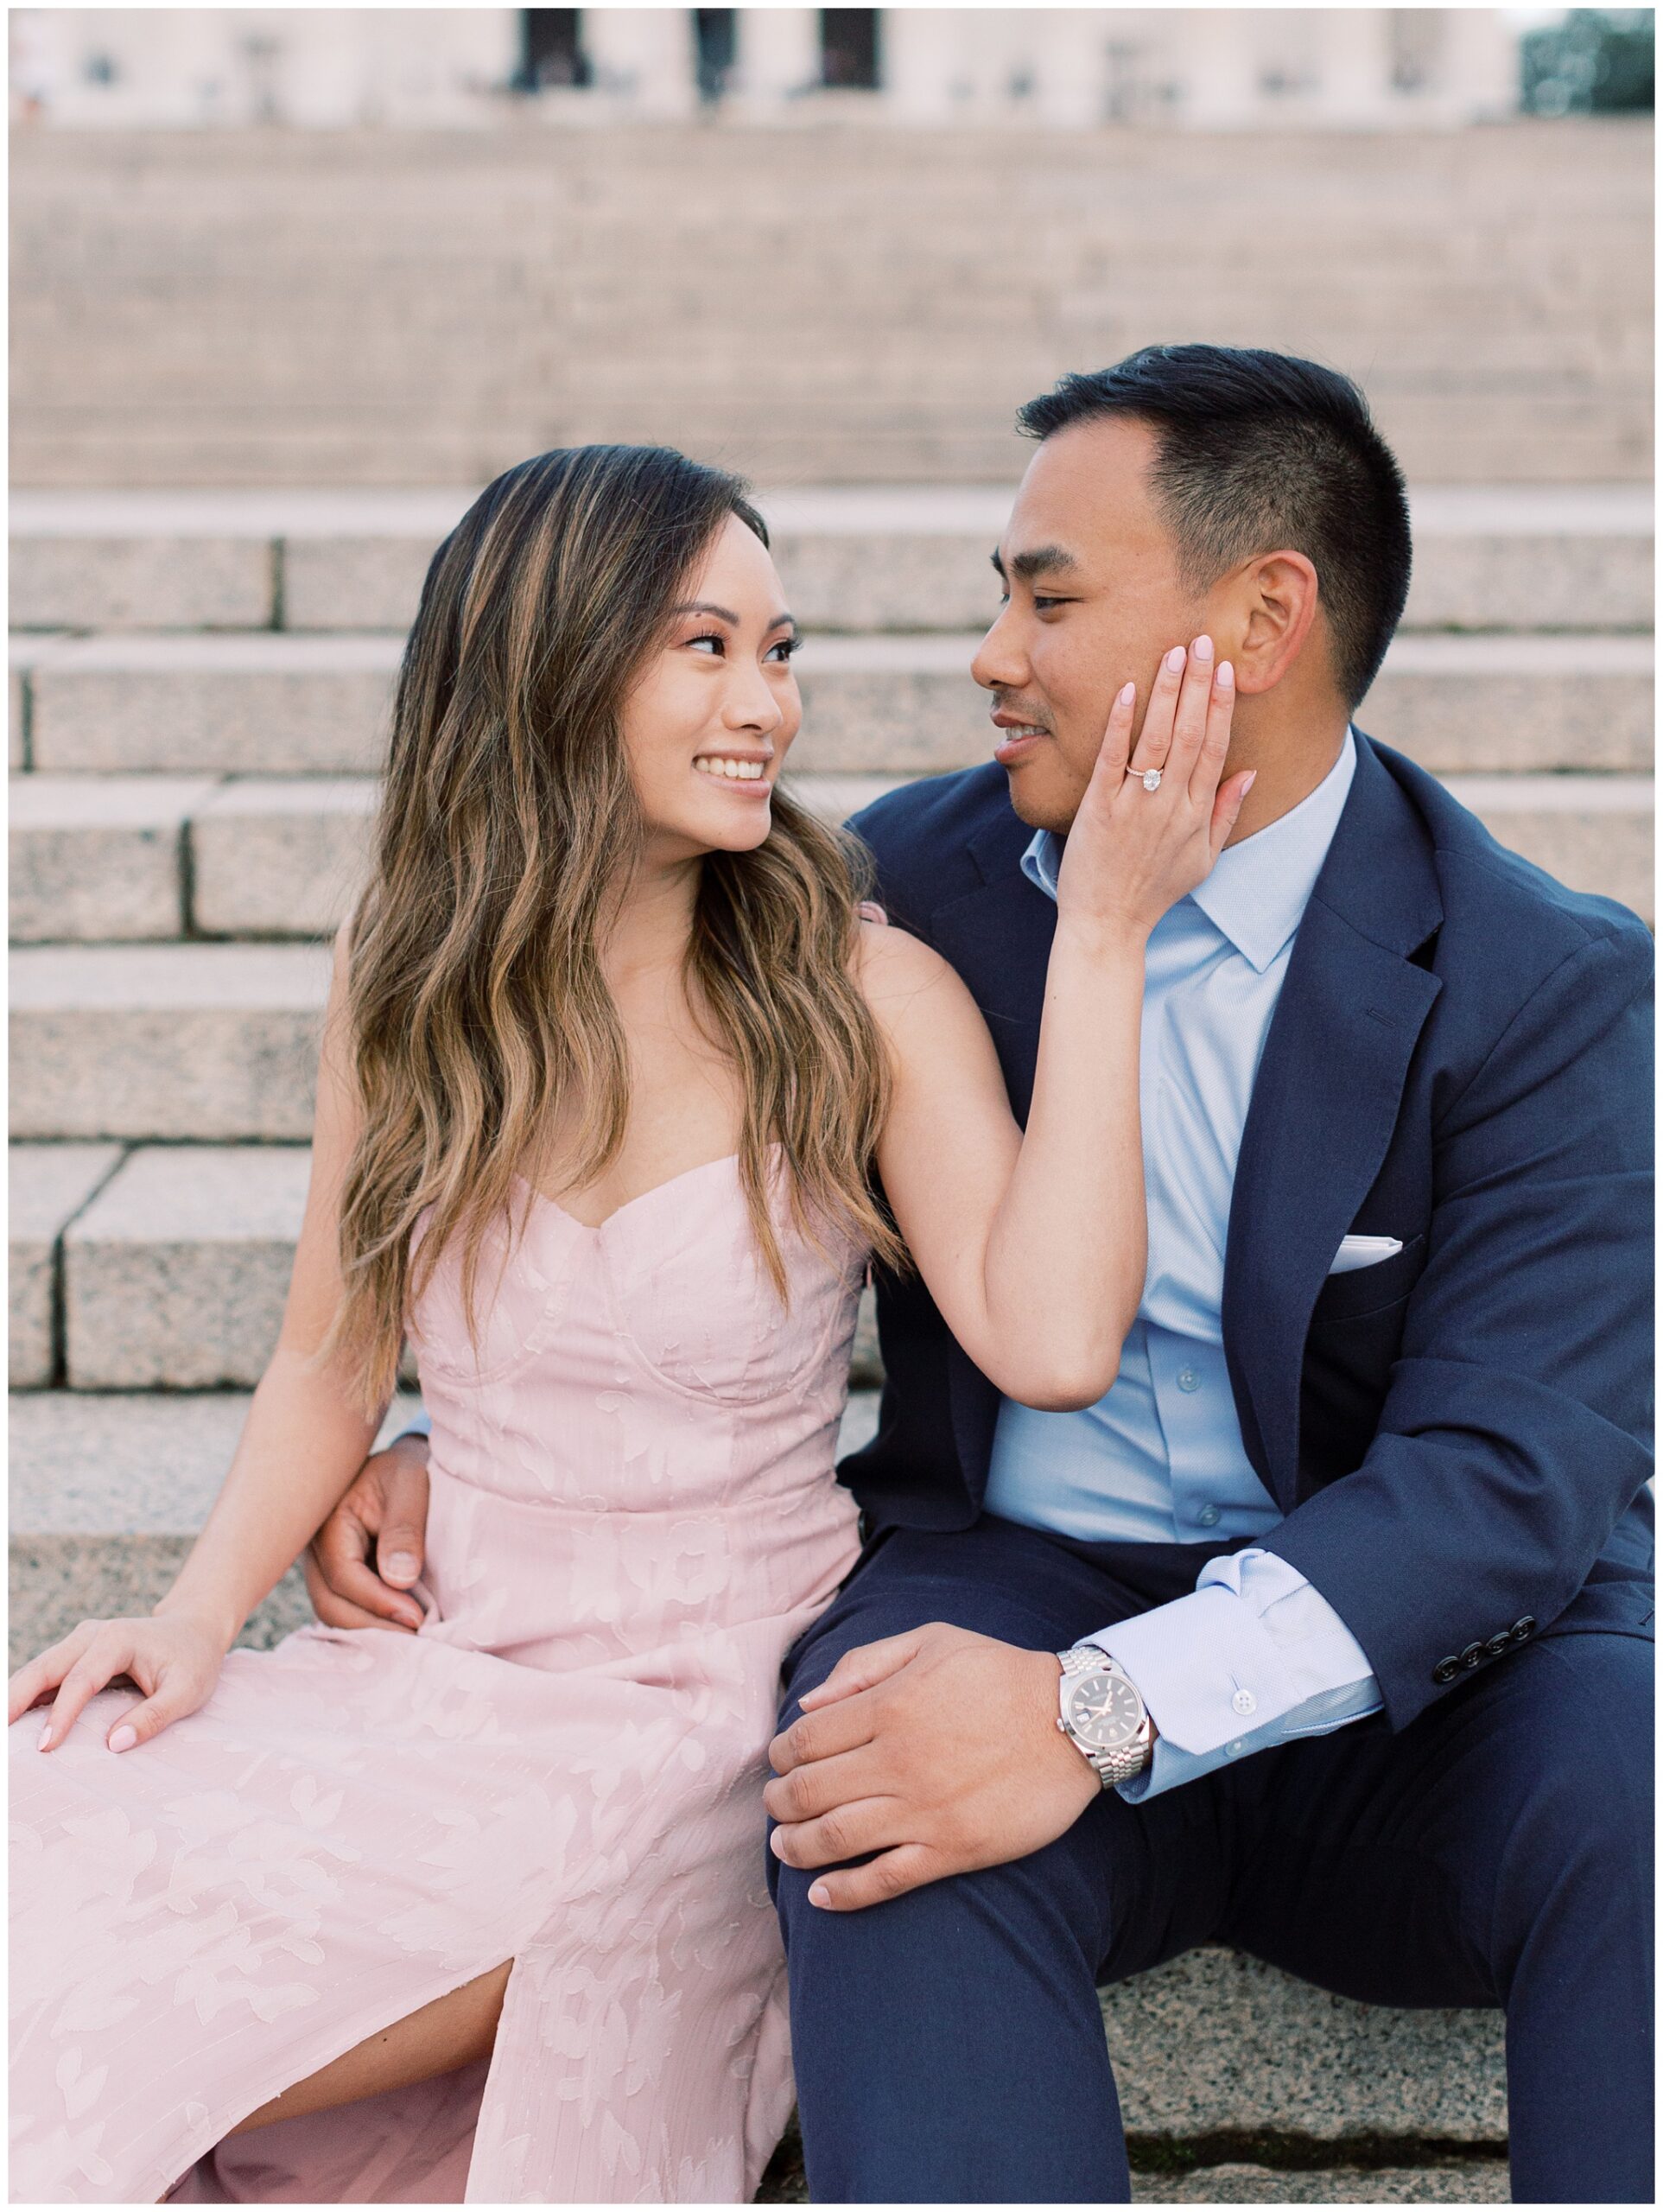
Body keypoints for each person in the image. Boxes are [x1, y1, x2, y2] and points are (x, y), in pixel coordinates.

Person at [317, 349, 1654, 2206]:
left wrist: (1106, 1701)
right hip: (1005, 1581)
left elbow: (1513, 1479)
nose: (989, 654)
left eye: (1048, 595)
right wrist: (442, 1429)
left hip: (1432, 1681)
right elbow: (587, 1121)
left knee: (1645, 1779)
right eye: (993, 598)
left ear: (1263, 617)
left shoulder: (1547, 980)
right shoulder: (889, 893)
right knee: (861, 1789)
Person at [8, 441, 1249, 2204]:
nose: (769, 704)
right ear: (556, 661)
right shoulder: (409, 975)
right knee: (46, 1811)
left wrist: (1108, 931)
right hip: (439, 1659)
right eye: (707, 647)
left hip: (701, 1705)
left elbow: (1050, 1341)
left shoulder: (858, 987)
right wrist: (197, 1616)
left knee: (184, 2011)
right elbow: (326, 1355)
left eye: (782, 648)